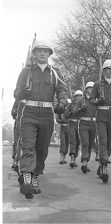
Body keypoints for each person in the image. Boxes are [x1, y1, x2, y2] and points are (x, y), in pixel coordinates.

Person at [14, 39, 68, 199]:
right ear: (35, 54)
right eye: (39, 51)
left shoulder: (55, 72)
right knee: (28, 146)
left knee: (42, 149)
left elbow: (62, 89)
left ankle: (35, 175)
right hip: (28, 112)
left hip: (47, 113)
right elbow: (16, 92)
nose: (42, 53)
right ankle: (28, 179)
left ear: (49, 54)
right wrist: (21, 93)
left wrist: (62, 103)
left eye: (46, 51)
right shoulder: (26, 71)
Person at [90, 59, 111, 183]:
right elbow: (91, 99)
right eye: (108, 69)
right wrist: (97, 102)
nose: (110, 71)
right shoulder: (97, 84)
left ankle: (102, 164)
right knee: (103, 140)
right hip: (101, 113)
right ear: (104, 70)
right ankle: (104, 166)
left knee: (109, 142)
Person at [77, 81, 97, 173]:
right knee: (85, 143)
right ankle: (84, 161)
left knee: (90, 144)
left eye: (93, 88)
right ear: (86, 90)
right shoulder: (81, 100)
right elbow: (75, 112)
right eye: (90, 88)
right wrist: (81, 110)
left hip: (94, 124)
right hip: (84, 123)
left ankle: (86, 161)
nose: (92, 90)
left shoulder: (96, 100)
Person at [64, 90, 82, 168]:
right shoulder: (70, 105)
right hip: (71, 124)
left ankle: (74, 158)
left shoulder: (83, 104)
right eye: (78, 96)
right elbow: (65, 115)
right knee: (73, 141)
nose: (79, 97)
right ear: (75, 97)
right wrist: (70, 113)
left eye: (80, 96)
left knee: (78, 143)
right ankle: (72, 157)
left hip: (80, 124)